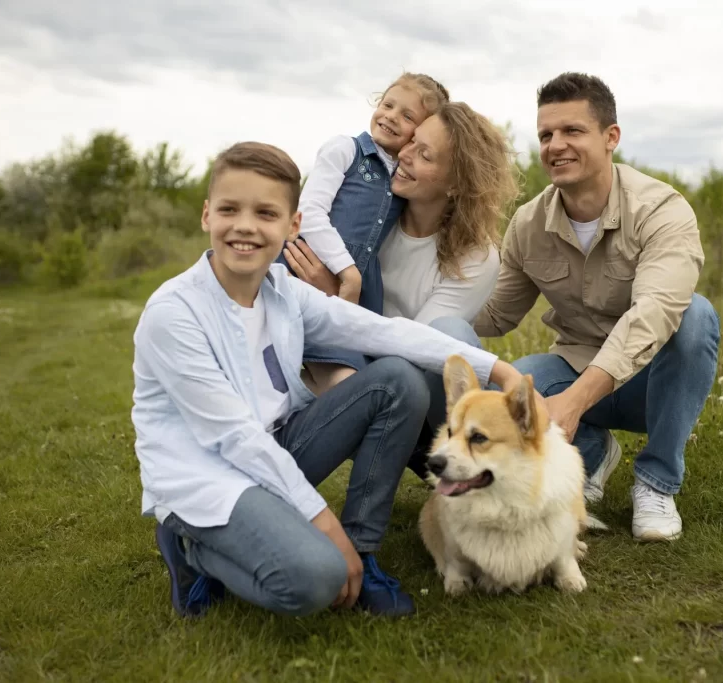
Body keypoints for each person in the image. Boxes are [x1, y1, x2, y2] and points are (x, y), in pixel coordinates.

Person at [131, 141, 526, 620]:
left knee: (398, 380)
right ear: (206, 214)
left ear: (293, 225)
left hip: (277, 445)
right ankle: (190, 544)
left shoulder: (283, 292)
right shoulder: (174, 314)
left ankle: (363, 552)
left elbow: (383, 332)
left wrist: (495, 369)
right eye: (230, 209)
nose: (246, 227)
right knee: (314, 580)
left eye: (266, 212)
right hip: (209, 471)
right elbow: (232, 439)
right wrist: (323, 523)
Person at [470, 72, 721, 542]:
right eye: (546, 134)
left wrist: (575, 401)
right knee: (519, 378)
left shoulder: (661, 209)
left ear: (611, 138)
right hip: (575, 370)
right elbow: (495, 315)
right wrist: (416, 298)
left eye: (572, 131)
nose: (555, 145)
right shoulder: (528, 223)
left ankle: (656, 482)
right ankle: (590, 452)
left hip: (654, 386)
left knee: (695, 316)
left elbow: (655, 314)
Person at [283, 100, 519, 478]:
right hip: (342, 364)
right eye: (411, 142)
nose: (403, 155)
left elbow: (416, 352)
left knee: (452, 335)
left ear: (456, 183)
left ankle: (458, 461)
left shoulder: (476, 256)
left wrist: (336, 298)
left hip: (416, 395)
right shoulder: (372, 219)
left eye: (423, 154)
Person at [283, 72, 450, 395]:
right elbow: (310, 213)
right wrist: (348, 273)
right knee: (334, 379)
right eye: (387, 104)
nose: (390, 116)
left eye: (407, 116)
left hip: (360, 297)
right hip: (307, 269)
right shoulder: (345, 149)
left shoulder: (402, 179)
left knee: (349, 381)